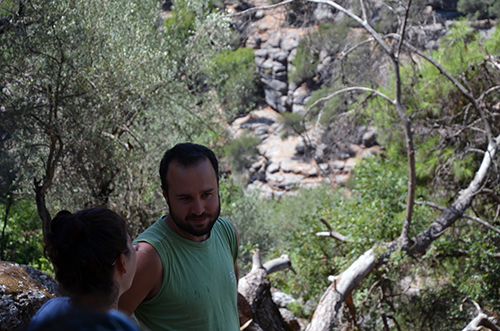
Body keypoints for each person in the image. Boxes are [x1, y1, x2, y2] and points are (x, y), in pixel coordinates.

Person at [118, 143, 240, 331]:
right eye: (185, 199)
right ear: (166, 196)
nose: (199, 209)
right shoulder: (148, 256)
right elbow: (104, 323)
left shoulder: (226, 233)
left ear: (218, 186)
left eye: (207, 194)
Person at [28, 208, 140, 331]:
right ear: (121, 262)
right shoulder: (119, 326)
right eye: (132, 244)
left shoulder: (49, 311)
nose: (136, 249)